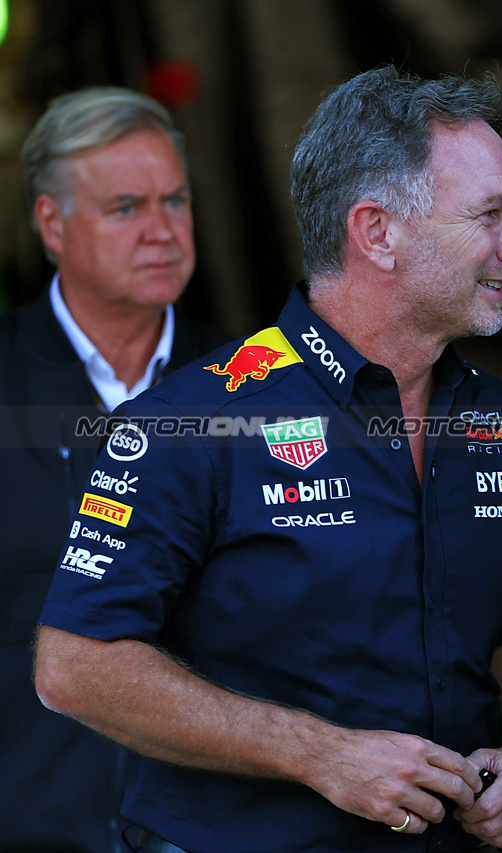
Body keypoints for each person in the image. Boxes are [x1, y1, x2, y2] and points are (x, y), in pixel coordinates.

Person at [32, 67, 502, 853]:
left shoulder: (500, 419)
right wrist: (320, 754)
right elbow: (75, 665)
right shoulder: (192, 421)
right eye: (490, 215)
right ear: (377, 232)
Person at [0, 86, 226, 853]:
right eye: (126, 207)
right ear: (51, 224)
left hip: (212, 827)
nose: (163, 231)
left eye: (176, 199)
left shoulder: (260, 384)